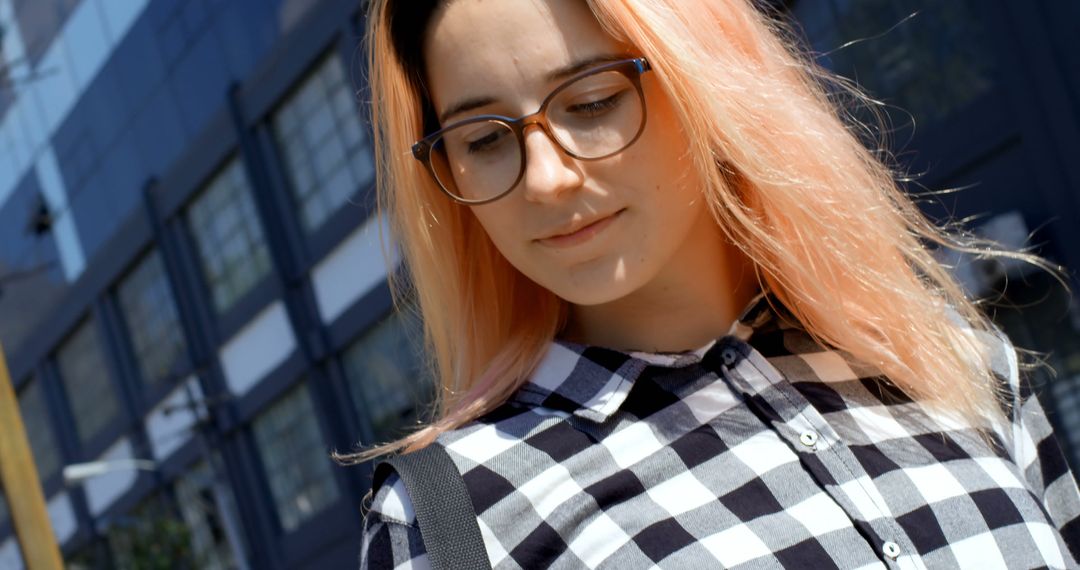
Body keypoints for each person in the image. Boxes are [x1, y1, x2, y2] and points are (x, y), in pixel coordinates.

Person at [347, 0, 1080, 567]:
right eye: (483, 140)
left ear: (704, 75)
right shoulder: (455, 518)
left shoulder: (948, 357)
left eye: (593, 101)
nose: (543, 177)